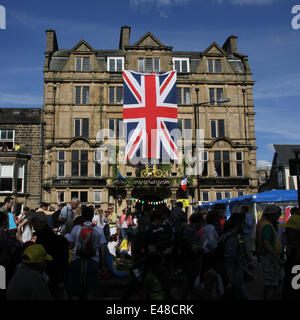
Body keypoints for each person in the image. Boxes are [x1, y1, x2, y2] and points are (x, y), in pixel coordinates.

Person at [68, 206, 107, 299]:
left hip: (77, 260)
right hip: (93, 260)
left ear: (82, 215)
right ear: (92, 215)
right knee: (91, 291)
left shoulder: (76, 228)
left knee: (75, 291)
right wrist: (103, 264)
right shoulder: (98, 229)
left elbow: (70, 245)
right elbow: (103, 248)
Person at [29, 211, 69, 300]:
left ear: (40, 222)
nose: (33, 225)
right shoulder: (45, 233)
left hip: (49, 270)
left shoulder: (44, 235)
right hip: (52, 270)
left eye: (34, 222)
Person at [215, 211, 247, 300]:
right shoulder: (231, 239)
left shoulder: (225, 235)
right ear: (238, 224)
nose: (245, 226)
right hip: (234, 279)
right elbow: (229, 261)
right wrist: (230, 281)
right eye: (243, 223)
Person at [257, 205, 285, 300]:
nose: (279, 216)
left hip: (271, 257)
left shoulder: (266, 224)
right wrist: (276, 258)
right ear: (272, 215)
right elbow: (266, 243)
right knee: (271, 284)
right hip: (269, 258)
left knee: (276, 281)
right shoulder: (267, 226)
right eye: (278, 214)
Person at [278, 214, 300, 300]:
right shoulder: (293, 251)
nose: (285, 232)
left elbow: (295, 285)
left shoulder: (296, 255)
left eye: (289, 230)